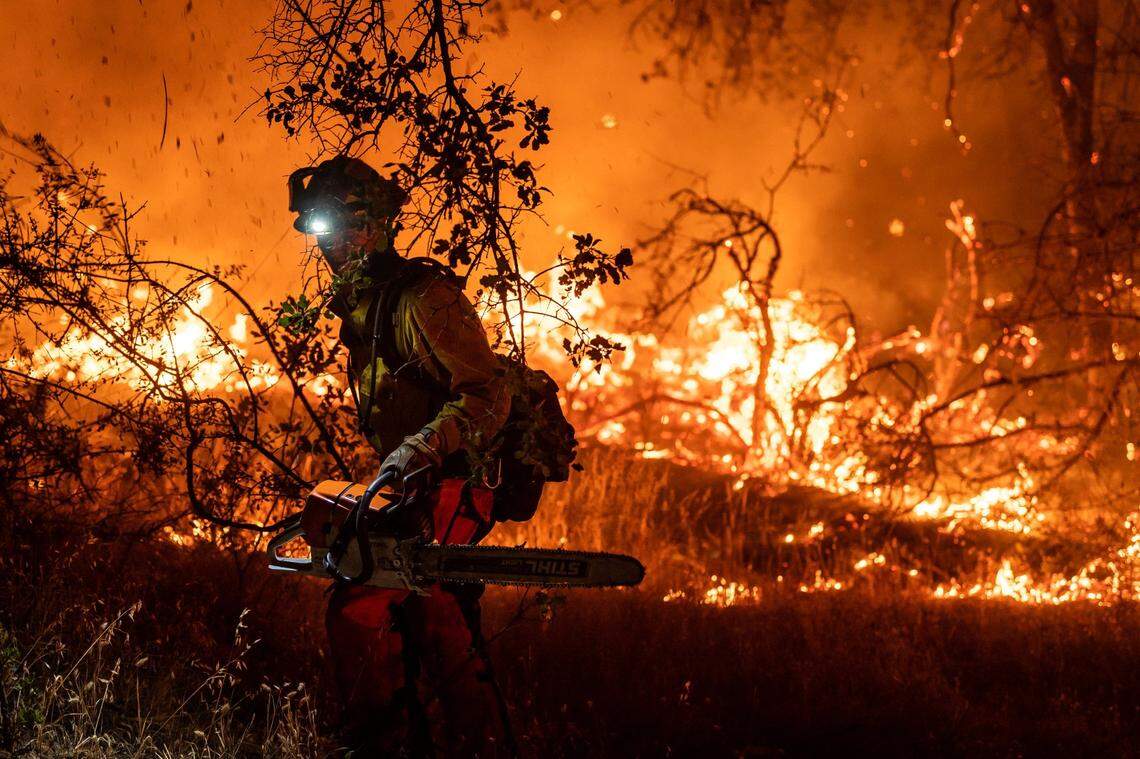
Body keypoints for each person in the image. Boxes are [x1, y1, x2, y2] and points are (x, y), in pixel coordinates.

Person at [288, 156, 510, 755]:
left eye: (342, 229)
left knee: (371, 607)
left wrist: (419, 450)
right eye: (323, 233)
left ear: (375, 226)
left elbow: (489, 396)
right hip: (416, 483)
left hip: (456, 480)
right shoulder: (366, 304)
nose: (331, 246)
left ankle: (403, 743)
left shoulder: (424, 298)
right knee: (421, 616)